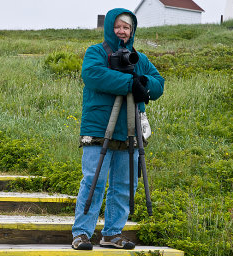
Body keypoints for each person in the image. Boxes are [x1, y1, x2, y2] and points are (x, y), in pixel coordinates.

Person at [71, 8, 164, 250]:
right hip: (98, 127)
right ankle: (81, 233)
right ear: (110, 27)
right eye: (118, 26)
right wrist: (130, 83)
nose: (122, 31)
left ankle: (112, 233)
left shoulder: (138, 58)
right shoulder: (96, 52)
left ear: (132, 31)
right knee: (94, 181)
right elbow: (93, 75)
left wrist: (143, 83)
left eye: (127, 28)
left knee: (125, 184)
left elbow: (158, 83)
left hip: (129, 129)